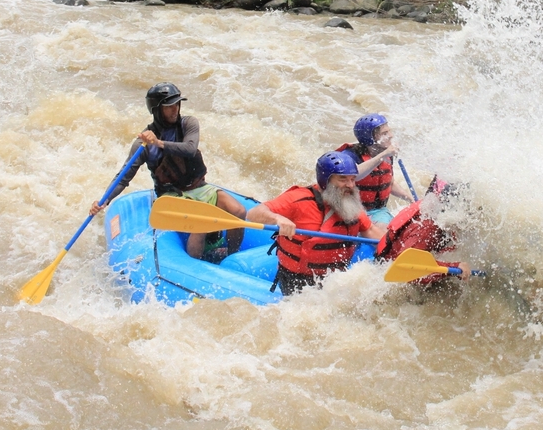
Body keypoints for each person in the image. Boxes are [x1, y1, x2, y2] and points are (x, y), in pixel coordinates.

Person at [90, 82, 246, 261]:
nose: (175, 110)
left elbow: (189, 149)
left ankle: (230, 257)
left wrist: (159, 143)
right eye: (169, 107)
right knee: (201, 223)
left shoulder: (189, 123)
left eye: (177, 104)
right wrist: (105, 200)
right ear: (157, 110)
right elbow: (124, 177)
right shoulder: (142, 145)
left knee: (239, 211)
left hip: (199, 188)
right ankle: (195, 268)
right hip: (172, 195)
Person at [246, 151, 385, 295]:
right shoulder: (299, 199)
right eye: (343, 179)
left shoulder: (349, 202)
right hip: (299, 282)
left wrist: (395, 250)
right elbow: (253, 213)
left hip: (335, 279)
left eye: (352, 179)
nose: (350, 185)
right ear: (326, 181)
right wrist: (278, 219)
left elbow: (370, 230)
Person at [335, 113, 413, 225]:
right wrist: (384, 154)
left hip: (378, 211)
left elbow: (389, 183)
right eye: (384, 133)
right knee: (384, 233)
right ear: (370, 138)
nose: (391, 135)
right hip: (352, 212)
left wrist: (411, 199)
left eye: (389, 131)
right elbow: (354, 175)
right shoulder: (349, 155)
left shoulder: (386, 153)